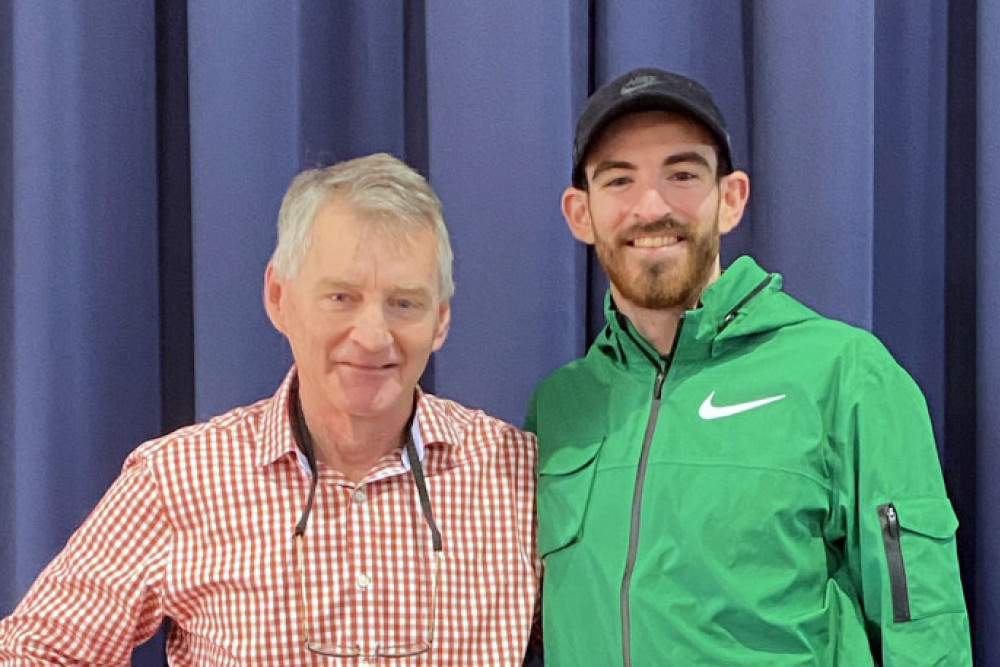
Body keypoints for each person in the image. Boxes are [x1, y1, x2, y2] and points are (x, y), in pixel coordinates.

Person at [0, 153, 540, 665]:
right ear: (279, 298)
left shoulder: (520, 475)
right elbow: (33, 651)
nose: (374, 337)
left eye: (404, 303)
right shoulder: (177, 480)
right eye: (341, 298)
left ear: (440, 320)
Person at [527, 68, 971, 666]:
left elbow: (922, 623)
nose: (651, 206)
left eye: (682, 174)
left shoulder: (845, 373)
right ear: (580, 213)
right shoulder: (559, 407)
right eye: (619, 180)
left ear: (730, 199)